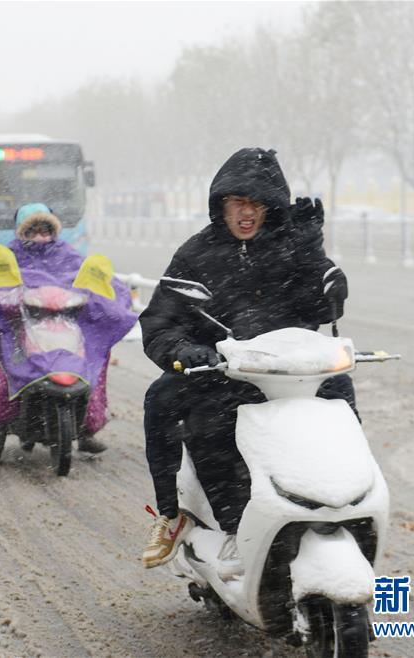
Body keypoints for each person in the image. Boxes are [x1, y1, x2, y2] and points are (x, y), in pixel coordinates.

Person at [138, 147, 354, 573]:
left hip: (291, 373)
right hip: (221, 373)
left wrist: (313, 252)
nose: (246, 213)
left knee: (339, 390)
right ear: (221, 206)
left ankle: (343, 499)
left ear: (271, 208)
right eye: (237, 203)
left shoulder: (293, 247)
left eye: (256, 203)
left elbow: (322, 307)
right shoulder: (195, 254)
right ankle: (174, 513)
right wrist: (184, 351)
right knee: (164, 401)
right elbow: (159, 322)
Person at [0, 203, 130, 460]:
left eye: (45, 230)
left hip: (66, 325)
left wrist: (105, 300)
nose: (40, 237)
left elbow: (95, 282)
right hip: (18, 327)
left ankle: (87, 428)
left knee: (93, 361)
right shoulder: (7, 257)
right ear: (21, 232)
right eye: (33, 231)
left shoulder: (67, 255)